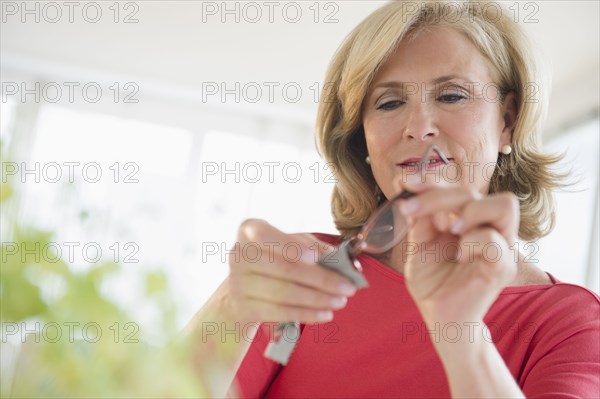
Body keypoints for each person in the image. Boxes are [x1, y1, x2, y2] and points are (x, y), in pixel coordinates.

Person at [185, 1, 600, 397]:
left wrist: (460, 334)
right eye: (389, 102)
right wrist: (232, 305)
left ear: (507, 121)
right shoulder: (300, 272)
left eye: (452, 95)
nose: (419, 128)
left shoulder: (570, 323)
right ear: (361, 139)